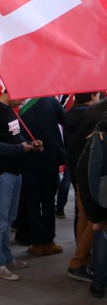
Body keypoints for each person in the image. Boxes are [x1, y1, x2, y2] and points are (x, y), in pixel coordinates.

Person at [0, 92, 41, 281]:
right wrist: (19, 149)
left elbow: (14, 135)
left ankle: (6, 257)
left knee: (9, 217)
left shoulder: (10, 110)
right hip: (0, 173)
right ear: (10, 90)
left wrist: (29, 143)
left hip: (14, 171)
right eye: (22, 96)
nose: (24, 101)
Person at [19, 97, 65, 256]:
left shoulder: (17, 105)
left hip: (27, 159)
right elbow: (64, 119)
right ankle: (49, 241)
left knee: (32, 203)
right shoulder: (50, 101)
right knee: (48, 202)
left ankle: (37, 243)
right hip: (49, 158)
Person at [66, 92, 101, 282]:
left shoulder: (74, 115)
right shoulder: (96, 116)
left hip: (80, 172)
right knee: (96, 221)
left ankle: (81, 259)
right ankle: (79, 261)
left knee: (84, 218)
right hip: (92, 175)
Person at [77, 111, 107, 298]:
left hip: (103, 197)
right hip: (103, 198)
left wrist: (95, 215)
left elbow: (84, 172)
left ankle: (98, 285)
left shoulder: (100, 135)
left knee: (102, 238)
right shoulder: (100, 136)